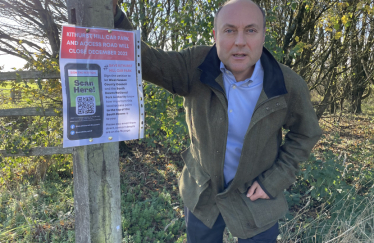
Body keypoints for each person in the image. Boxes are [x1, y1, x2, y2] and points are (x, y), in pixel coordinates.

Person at [113, 0, 322, 242]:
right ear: (215, 35)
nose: (240, 41)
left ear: (263, 35)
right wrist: (116, 16)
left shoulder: (286, 83)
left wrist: (274, 181)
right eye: (230, 30)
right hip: (203, 194)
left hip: (256, 199)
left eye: (251, 30)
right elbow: (146, 60)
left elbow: (306, 134)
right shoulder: (195, 65)